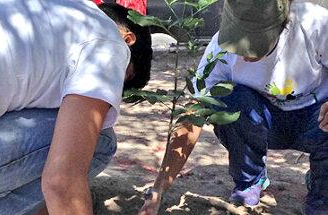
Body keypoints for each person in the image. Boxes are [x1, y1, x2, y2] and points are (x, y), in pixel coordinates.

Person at [138, 0, 328, 215]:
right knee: (225, 98)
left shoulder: (316, 24)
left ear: (282, 24)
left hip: (316, 120)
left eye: (257, 45)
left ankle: (321, 196)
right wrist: (157, 191)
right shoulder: (217, 49)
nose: (246, 57)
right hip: (258, 120)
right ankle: (250, 180)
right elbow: (194, 114)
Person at [0, 1, 152, 215]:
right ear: (127, 40)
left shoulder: (57, 11)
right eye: (120, 80)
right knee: (100, 140)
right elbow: (62, 182)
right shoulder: (110, 42)